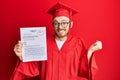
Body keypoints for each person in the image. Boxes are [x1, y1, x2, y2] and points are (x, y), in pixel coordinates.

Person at [10, 2, 102, 80]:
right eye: (56, 23)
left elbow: (82, 68)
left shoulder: (77, 43)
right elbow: (33, 67)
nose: (60, 26)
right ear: (53, 24)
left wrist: (90, 50)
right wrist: (22, 56)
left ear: (71, 24)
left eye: (64, 22)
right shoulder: (43, 42)